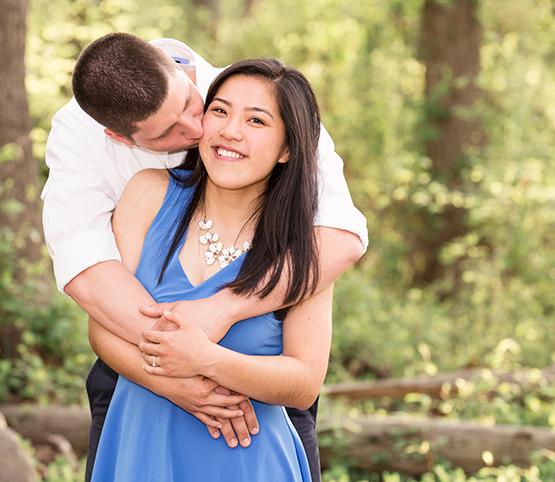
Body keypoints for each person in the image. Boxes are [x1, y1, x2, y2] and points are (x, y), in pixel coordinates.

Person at [40, 34, 368, 481]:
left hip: (251, 438)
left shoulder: (253, 93)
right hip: (140, 407)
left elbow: (342, 239)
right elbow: (88, 274)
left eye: (196, 106)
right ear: (120, 137)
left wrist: (220, 318)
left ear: (186, 74)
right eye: (169, 132)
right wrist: (179, 375)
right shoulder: (96, 150)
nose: (201, 132)